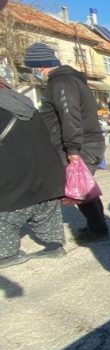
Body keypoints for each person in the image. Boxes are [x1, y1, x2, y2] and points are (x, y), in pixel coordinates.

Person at [25, 42, 109, 243]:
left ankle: (98, 230)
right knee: (84, 186)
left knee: (80, 188)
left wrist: (72, 149)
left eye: (32, 68)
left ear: (40, 66)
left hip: (81, 145)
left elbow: (69, 115)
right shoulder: (69, 80)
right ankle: (98, 227)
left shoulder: (62, 82)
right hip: (86, 142)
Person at [0, 80, 67, 268]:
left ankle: (6, 254)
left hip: (12, 175)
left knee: (6, 215)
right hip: (48, 171)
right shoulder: (26, 104)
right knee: (46, 210)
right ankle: (54, 245)